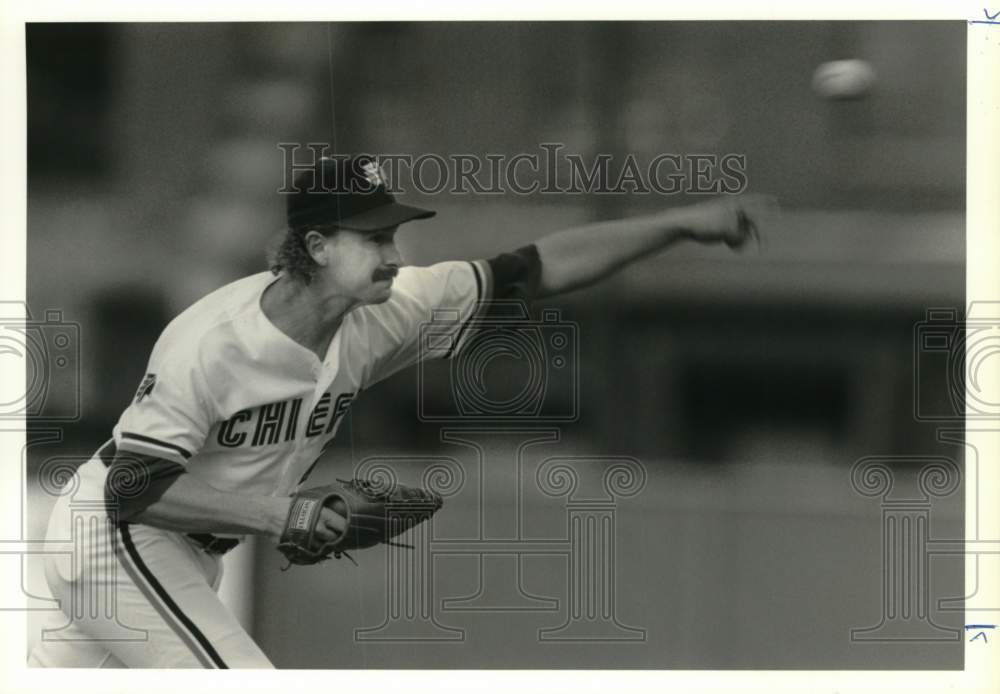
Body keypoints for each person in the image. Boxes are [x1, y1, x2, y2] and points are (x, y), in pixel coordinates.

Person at [28, 155, 769, 668]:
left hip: (181, 548)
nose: (393, 251)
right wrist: (279, 516)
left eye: (393, 233)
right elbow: (133, 489)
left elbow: (537, 268)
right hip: (118, 536)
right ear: (315, 246)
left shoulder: (394, 306)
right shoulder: (211, 344)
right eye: (374, 236)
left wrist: (677, 223)